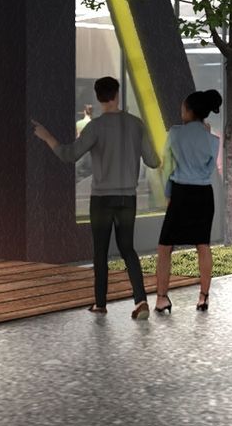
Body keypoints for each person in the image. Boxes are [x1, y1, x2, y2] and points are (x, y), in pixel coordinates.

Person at [33, 78, 156, 318]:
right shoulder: (136, 124)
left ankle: (100, 303)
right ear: (117, 95)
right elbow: (152, 161)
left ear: (98, 98)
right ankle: (140, 299)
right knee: (127, 249)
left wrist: (47, 137)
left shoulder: (95, 127)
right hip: (127, 198)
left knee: (100, 251)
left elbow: (69, 155)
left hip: (101, 198)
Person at [152, 88, 222, 313]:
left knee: (165, 247)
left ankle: (162, 298)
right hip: (203, 195)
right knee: (203, 245)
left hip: (181, 193)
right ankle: (203, 297)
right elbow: (210, 169)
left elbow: (167, 167)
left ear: (189, 111)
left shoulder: (174, 133)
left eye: (183, 107)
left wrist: (168, 193)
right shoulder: (213, 140)